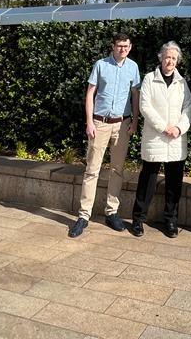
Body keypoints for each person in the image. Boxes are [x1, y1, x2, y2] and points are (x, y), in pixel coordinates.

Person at [68, 33, 141, 238]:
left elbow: (135, 95)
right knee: (92, 169)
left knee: (117, 169)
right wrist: (89, 121)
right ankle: (84, 216)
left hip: (122, 124)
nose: (122, 49)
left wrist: (135, 121)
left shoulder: (133, 68)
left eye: (126, 46)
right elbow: (90, 93)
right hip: (100, 123)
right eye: (119, 46)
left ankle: (112, 212)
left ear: (130, 47)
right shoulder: (100, 65)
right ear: (113, 46)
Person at [130, 41, 191, 238]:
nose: (170, 61)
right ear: (161, 57)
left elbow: (188, 108)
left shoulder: (182, 83)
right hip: (155, 138)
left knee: (174, 183)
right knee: (147, 180)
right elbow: (145, 106)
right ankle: (138, 219)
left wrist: (179, 128)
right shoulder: (149, 79)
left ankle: (171, 221)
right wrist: (163, 127)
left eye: (174, 58)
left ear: (177, 61)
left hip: (175, 139)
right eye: (167, 57)